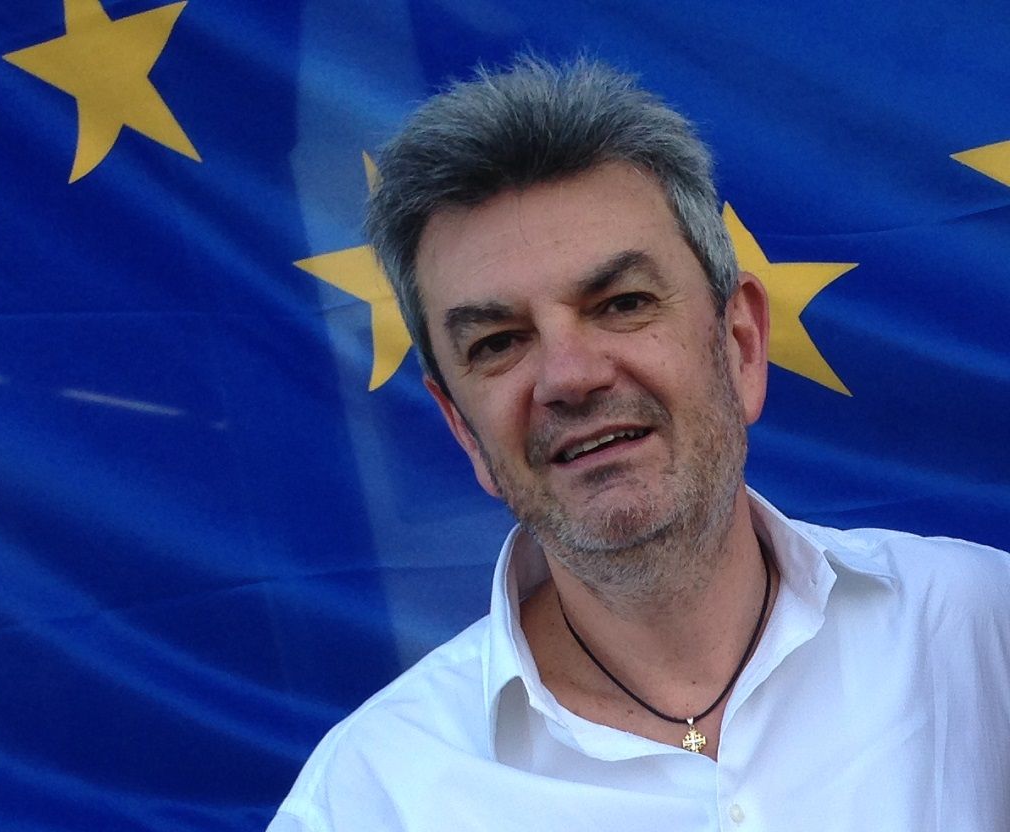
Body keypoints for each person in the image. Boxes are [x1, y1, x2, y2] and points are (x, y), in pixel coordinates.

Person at [268, 57, 1009, 831]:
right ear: (464, 430)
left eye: (622, 303)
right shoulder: (370, 797)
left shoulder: (977, 630)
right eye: (498, 342)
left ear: (741, 345)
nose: (570, 376)